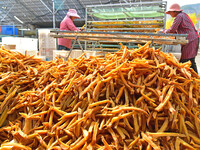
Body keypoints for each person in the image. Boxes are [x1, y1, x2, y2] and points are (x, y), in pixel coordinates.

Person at [164, 3, 199, 74]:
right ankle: (195, 78)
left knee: (186, 61)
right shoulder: (183, 15)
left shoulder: (179, 16)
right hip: (192, 39)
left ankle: (194, 79)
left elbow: (172, 29)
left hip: (190, 40)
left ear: (175, 11)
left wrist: (164, 31)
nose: (170, 14)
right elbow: (178, 30)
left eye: (170, 12)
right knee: (190, 60)